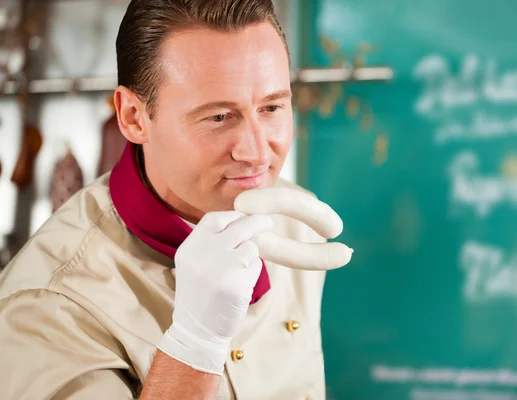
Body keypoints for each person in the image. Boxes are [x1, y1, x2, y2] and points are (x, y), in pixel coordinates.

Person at [0, 1, 334, 398]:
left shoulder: (298, 224)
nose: (258, 153)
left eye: (272, 107)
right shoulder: (48, 304)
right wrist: (194, 346)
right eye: (218, 117)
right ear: (133, 117)